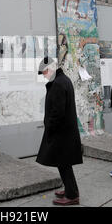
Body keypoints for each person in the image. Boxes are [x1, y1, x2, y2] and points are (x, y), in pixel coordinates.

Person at [35, 57, 83, 206]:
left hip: (61, 132)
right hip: (66, 131)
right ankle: (69, 189)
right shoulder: (64, 80)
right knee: (63, 163)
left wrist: (50, 127)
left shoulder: (57, 84)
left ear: (50, 69)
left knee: (63, 163)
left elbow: (57, 112)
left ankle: (72, 195)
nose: (44, 76)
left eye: (44, 72)